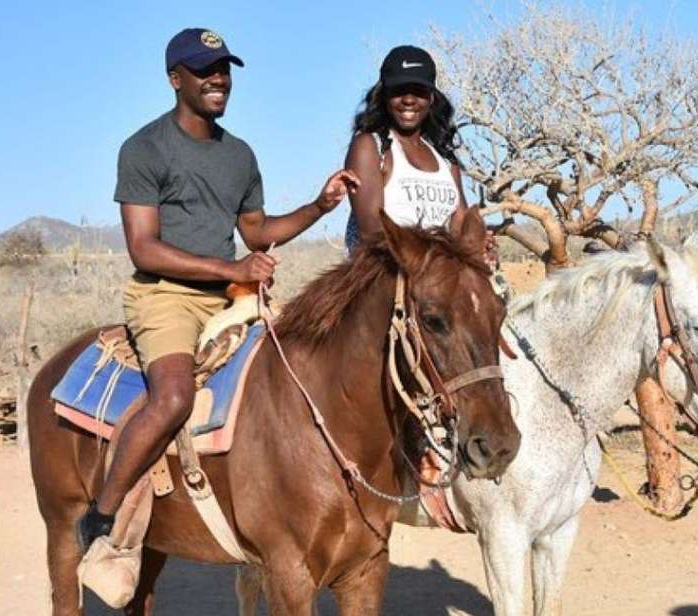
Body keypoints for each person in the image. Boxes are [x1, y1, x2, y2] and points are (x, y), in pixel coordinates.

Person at [76, 27, 359, 550]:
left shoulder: (240, 156)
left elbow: (256, 233)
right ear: (174, 79)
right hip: (165, 295)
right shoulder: (143, 148)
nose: (219, 80)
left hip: (228, 296)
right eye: (205, 71)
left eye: (224, 70)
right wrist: (233, 271)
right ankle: (103, 514)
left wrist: (321, 206)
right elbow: (143, 247)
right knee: (176, 397)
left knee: (294, 375)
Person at [343, 45, 468, 250]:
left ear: (431, 97)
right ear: (384, 95)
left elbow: (460, 229)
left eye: (418, 91)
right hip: (386, 274)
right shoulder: (370, 146)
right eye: (399, 90)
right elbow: (372, 236)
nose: (408, 100)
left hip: (439, 275)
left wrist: (480, 245)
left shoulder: (445, 159)